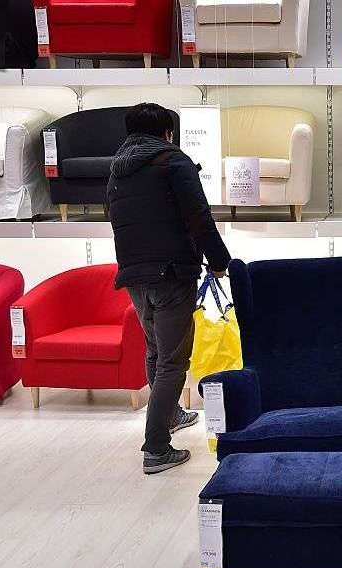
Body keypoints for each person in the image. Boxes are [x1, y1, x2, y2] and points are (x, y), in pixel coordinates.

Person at [108, 103, 232, 475]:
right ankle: (157, 447)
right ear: (167, 133)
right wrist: (220, 260)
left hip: (134, 276)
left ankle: (172, 414)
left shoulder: (117, 171)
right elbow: (199, 218)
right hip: (172, 275)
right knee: (173, 361)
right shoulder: (174, 162)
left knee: (156, 350)